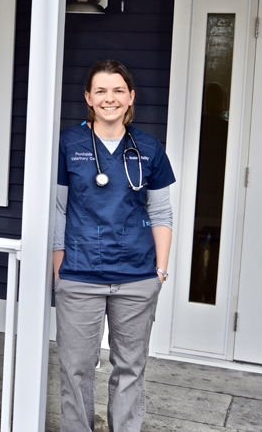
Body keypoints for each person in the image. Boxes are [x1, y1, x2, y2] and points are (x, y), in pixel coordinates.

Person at [53, 60, 175, 432]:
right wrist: (59, 269)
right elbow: (58, 210)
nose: (110, 98)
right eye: (101, 91)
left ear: (131, 97)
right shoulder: (68, 144)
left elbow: (162, 213)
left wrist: (160, 271)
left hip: (136, 276)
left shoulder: (149, 149)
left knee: (130, 368)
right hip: (80, 275)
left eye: (118, 90)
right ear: (88, 98)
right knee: (75, 369)